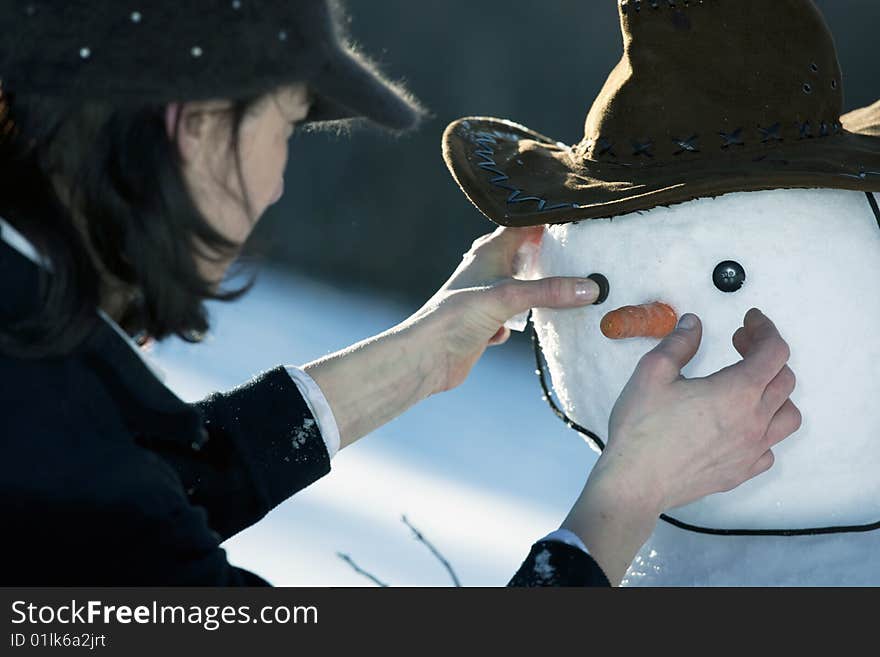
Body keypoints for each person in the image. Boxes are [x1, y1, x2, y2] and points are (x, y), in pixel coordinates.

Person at [0, 1, 799, 587]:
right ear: (197, 123)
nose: (277, 185)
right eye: (283, 127)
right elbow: (125, 519)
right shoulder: (47, 435)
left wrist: (420, 358)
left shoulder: (38, 379)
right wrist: (632, 491)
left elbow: (148, 496)